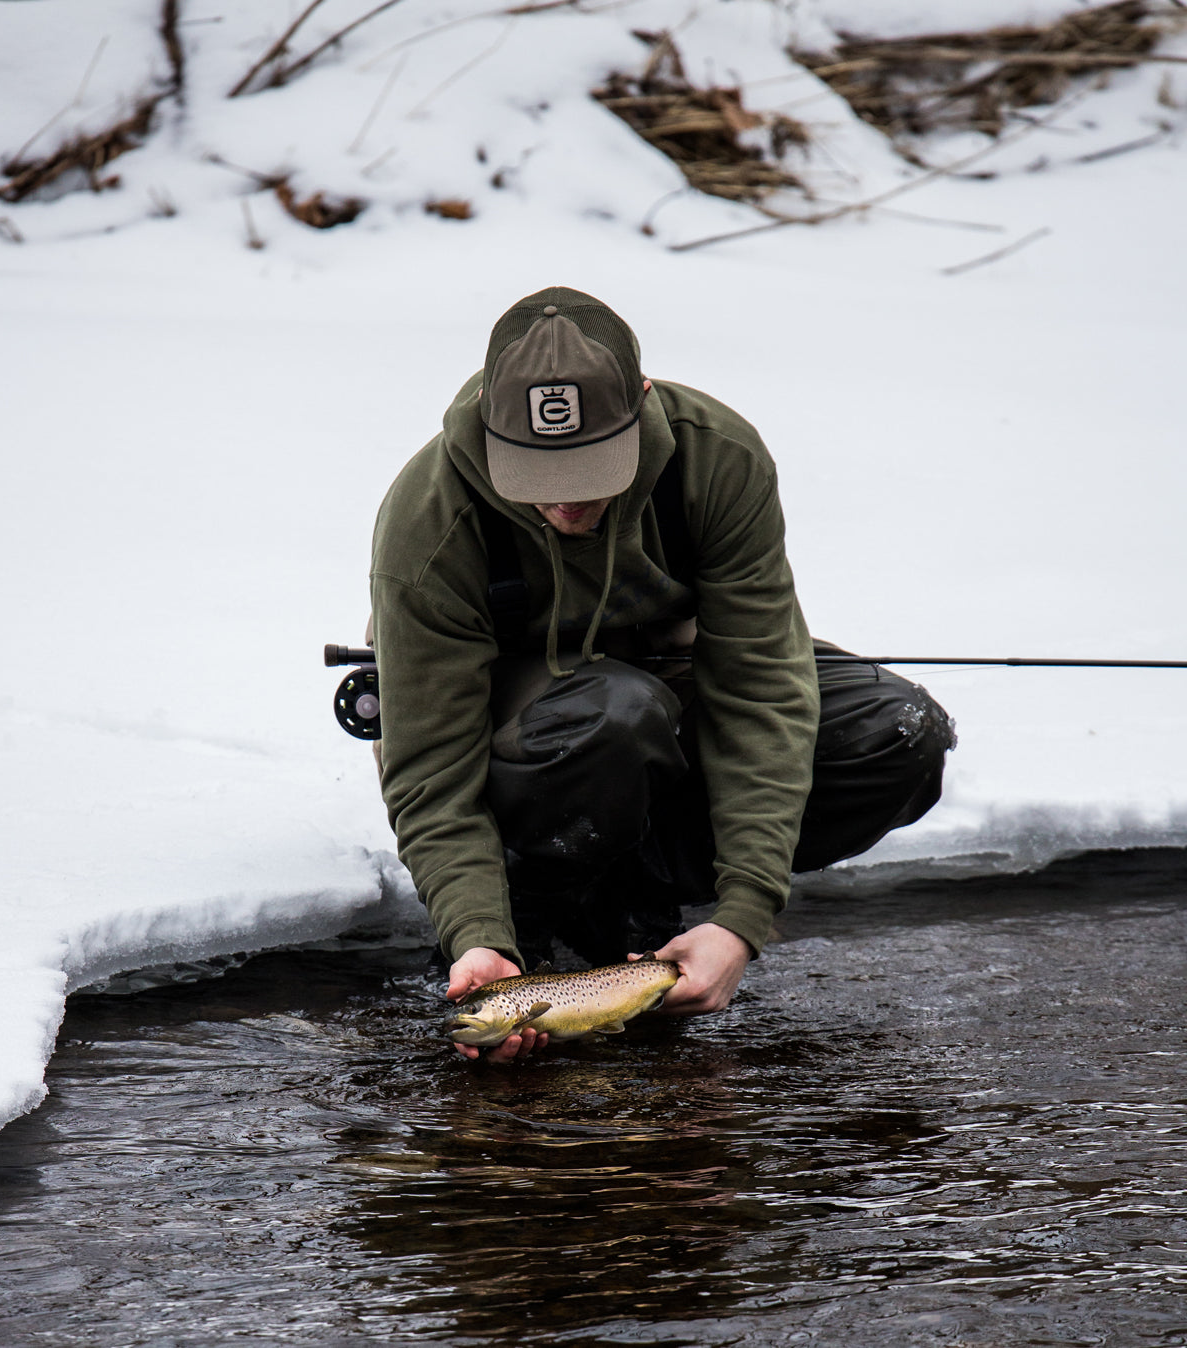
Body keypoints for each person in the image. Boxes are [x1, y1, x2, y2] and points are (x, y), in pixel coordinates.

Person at [369, 286, 955, 1063]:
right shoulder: (429, 522)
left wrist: (743, 916)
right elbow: (430, 772)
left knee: (898, 735)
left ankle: (647, 888)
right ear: (489, 427)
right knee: (618, 711)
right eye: (540, 473)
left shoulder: (717, 458)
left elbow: (762, 689)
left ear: (641, 404)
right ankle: (541, 906)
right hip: (530, 739)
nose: (569, 501)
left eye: (592, 466)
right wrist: (477, 936)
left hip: (669, 690)